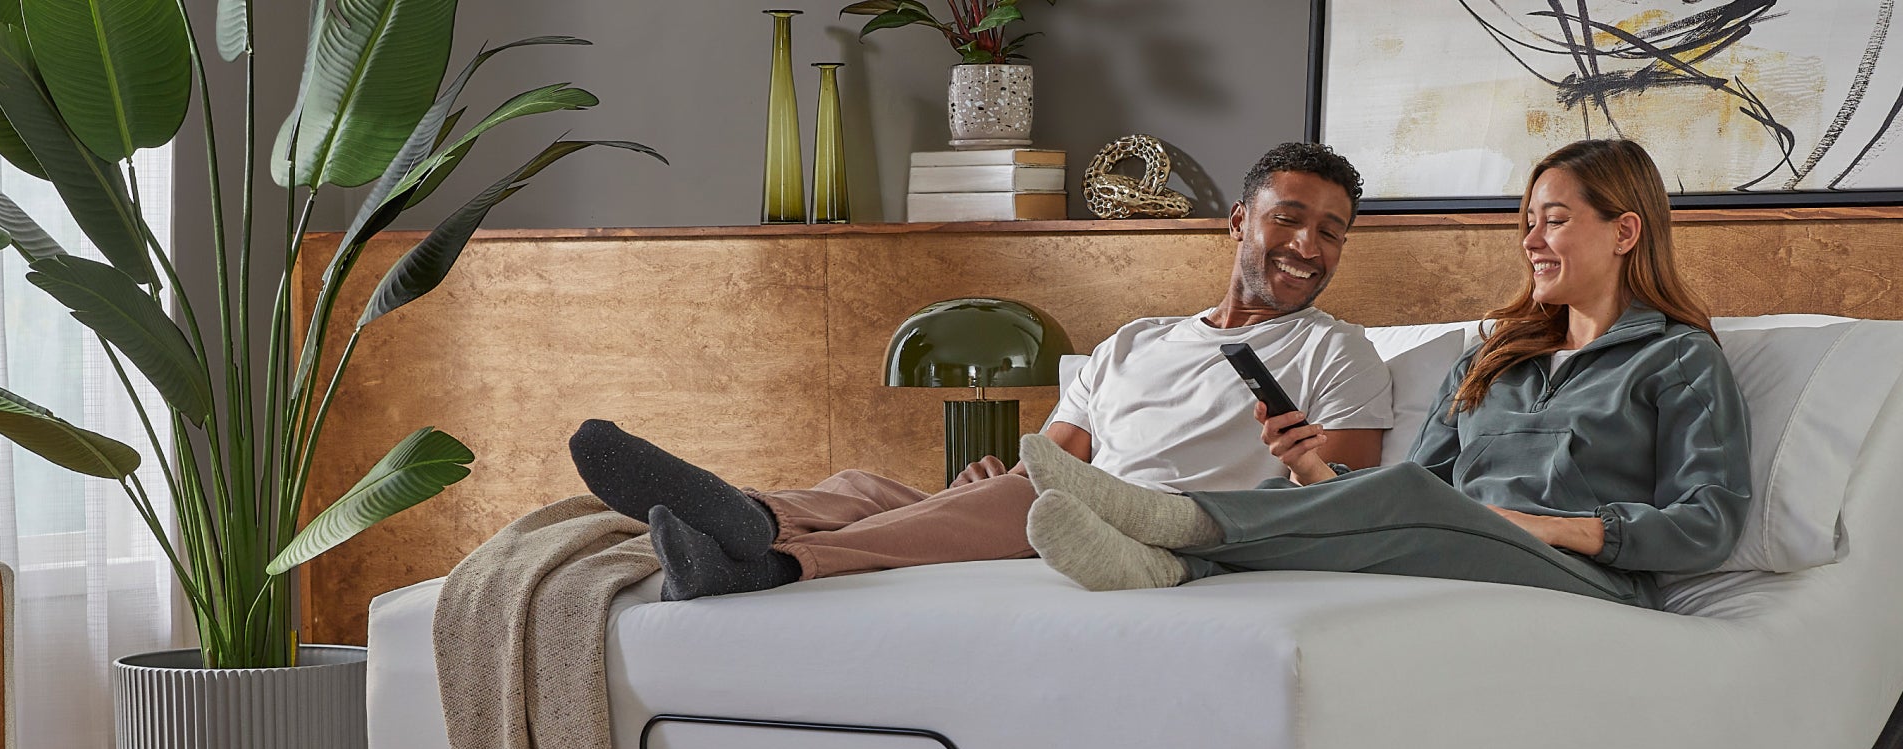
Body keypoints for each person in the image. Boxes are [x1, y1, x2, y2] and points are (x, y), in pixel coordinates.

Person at [567, 142, 1395, 600]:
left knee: (1027, 496)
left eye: (1331, 232)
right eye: (1289, 219)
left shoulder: (1336, 350)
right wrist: (987, 483)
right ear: (1238, 221)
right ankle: (746, 514)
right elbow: (1056, 456)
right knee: (866, 484)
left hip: (1165, 528)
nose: (1307, 246)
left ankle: (775, 560)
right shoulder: (1134, 342)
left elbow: (1348, 502)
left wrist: (1302, 465)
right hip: (1067, 499)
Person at [1017, 137, 1749, 607]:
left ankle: (1166, 518)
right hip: (1459, 547)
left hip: (1584, 578)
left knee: (1410, 498)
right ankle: (1169, 567)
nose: (1530, 240)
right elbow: (1416, 492)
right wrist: (1312, 471)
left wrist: (1545, 528)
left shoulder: (1677, 358)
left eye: (1553, 220)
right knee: (1331, 491)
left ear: (1625, 231)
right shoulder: (1491, 359)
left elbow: (1708, 522)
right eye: (1526, 221)